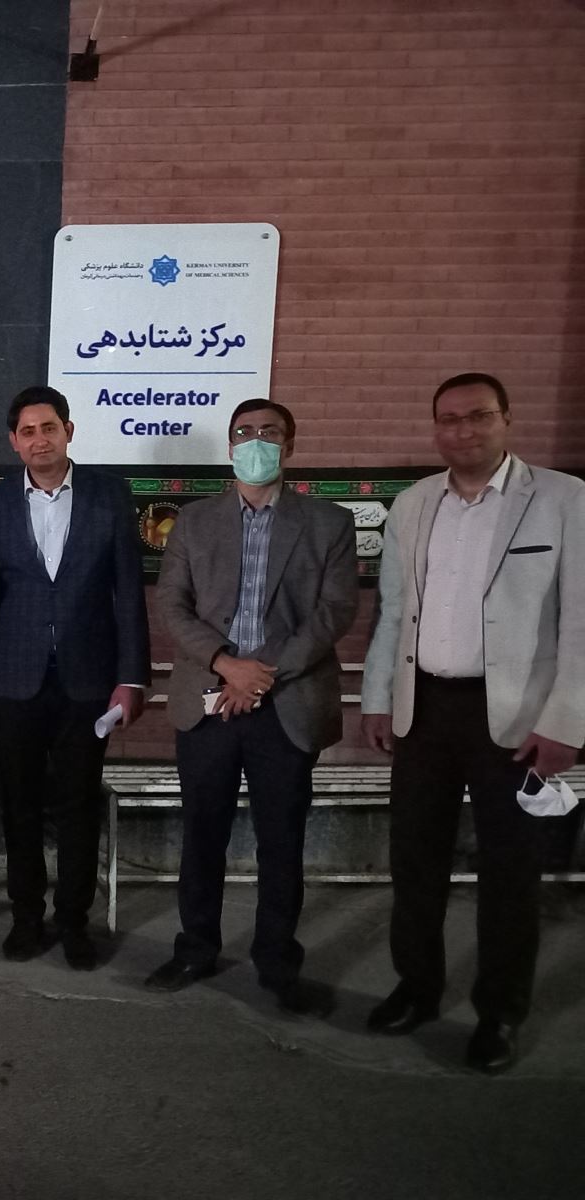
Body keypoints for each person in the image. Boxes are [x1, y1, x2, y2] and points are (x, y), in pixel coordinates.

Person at [361, 372, 585, 1074]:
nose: (462, 430)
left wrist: (566, 721)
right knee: (414, 861)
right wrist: (376, 698)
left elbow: (581, 622)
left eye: (478, 416)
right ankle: (417, 987)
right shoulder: (414, 504)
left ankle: (500, 1012)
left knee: (510, 872)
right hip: (424, 708)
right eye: (449, 419)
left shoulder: (564, 500)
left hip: (516, 717)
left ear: (506, 420)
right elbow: (393, 613)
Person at [144, 400, 358, 1013]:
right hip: (207, 700)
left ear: (289, 445)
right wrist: (226, 664)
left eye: (269, 432)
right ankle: (195, 949)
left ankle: (277, 963)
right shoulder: (193, 521)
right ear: (230, 445)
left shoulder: (329, 523)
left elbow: (333, 613)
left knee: (281, 841)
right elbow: (173, 605)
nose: (255, 440)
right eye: (244, 432)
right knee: (202, 834)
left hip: (287, 701)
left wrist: (259, 677)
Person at [0, 385, 150, 969]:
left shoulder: (109, 495)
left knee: (78, 806)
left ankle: (74, 922)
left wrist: (132, 677)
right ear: (13, 441)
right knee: (18, 805)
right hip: (12, 681)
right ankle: (26, 918)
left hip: (87, 681)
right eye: (28, 431)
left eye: (49, 428)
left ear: (68, 431)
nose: (39, 440)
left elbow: (129, 592)